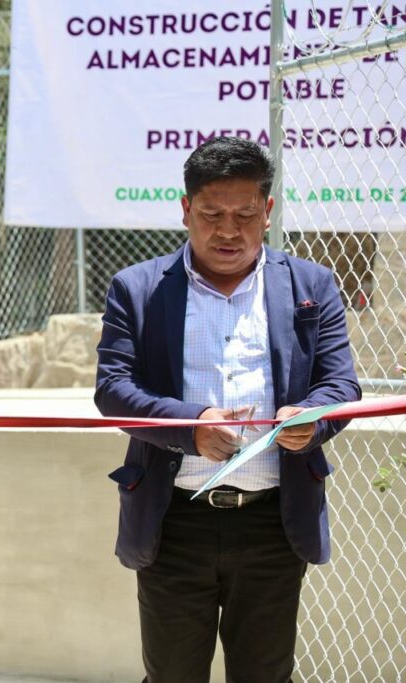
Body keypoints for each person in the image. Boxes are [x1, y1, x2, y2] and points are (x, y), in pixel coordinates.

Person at [94, 136, 360, 683]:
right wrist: (190, 427)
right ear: (185, 210)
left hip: (273, 523)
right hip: (173, 522)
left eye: (245, 214)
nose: (228, 231)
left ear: (268, 211)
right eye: (212, 214)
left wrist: (310, 419)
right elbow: (113, 389)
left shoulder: (310, 285)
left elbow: (340, 385)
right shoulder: (138, 289)